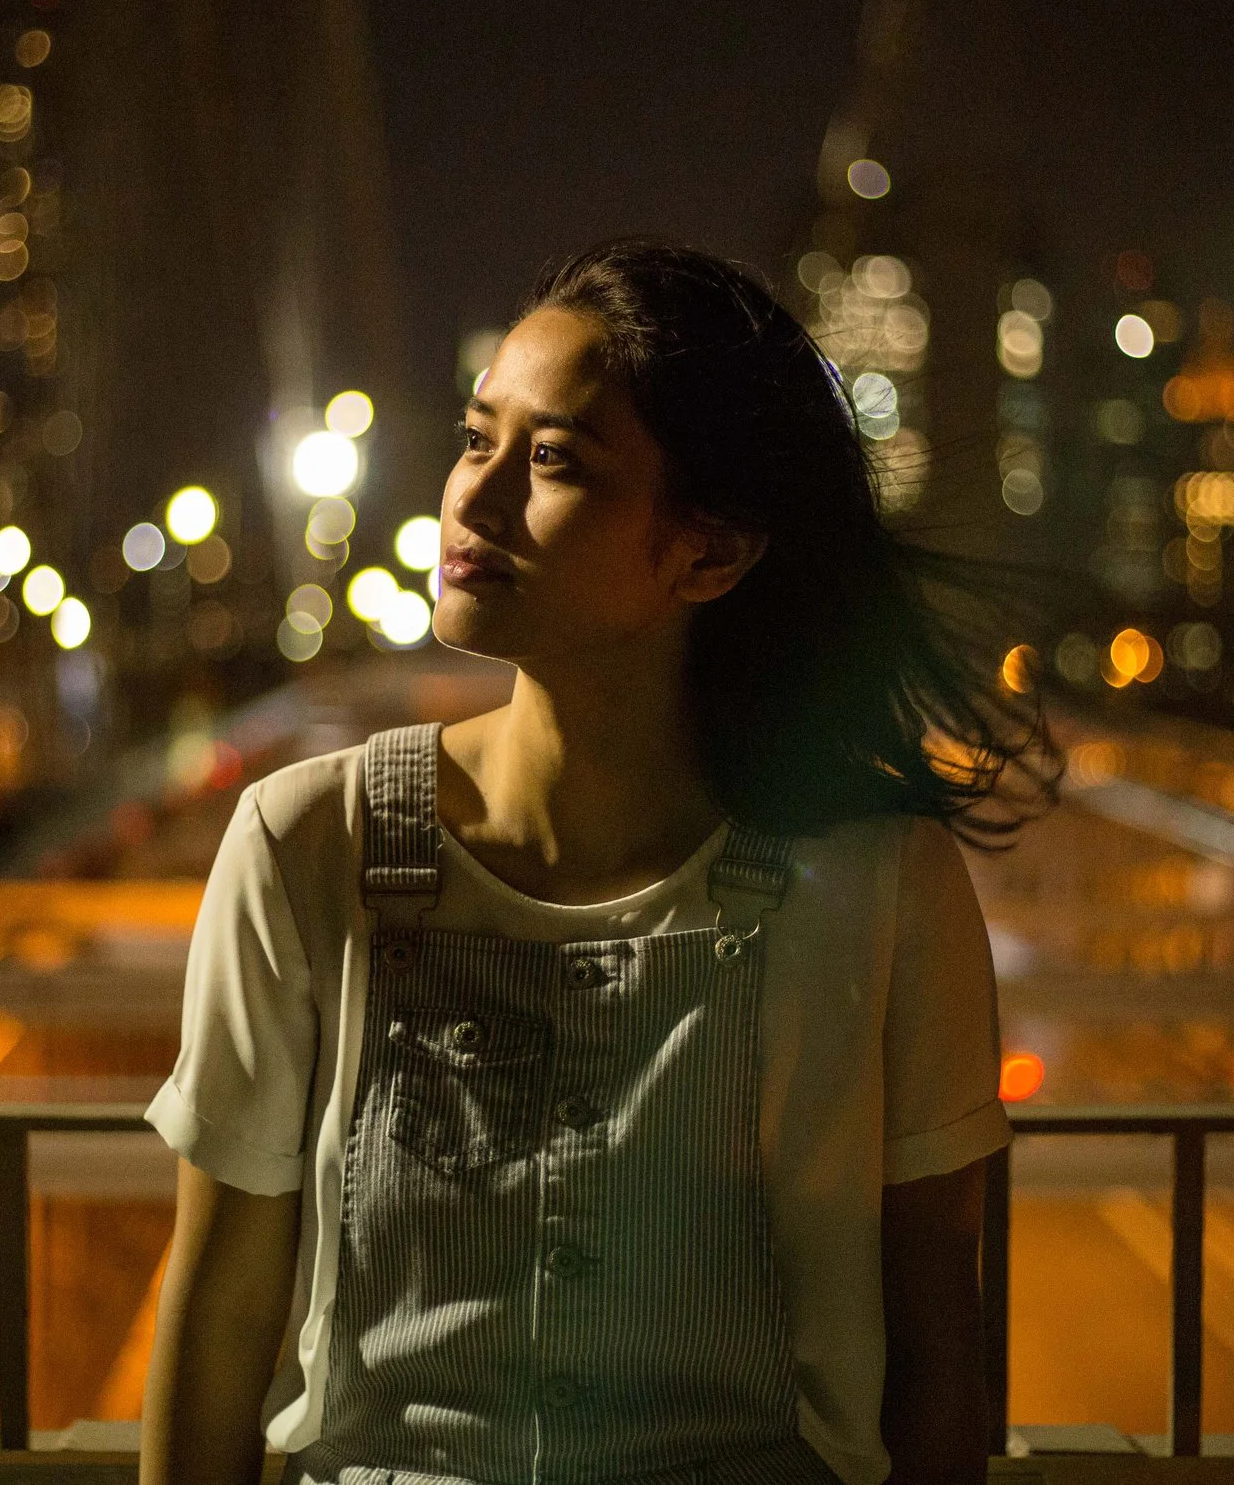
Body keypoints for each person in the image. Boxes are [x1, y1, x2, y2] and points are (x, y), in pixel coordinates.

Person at [141, 239, 1051, 1485]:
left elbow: (938, 1357)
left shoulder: (885, 887)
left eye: (554, 458)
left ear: (710, 553)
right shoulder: (308, 846)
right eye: (476, 438)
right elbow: (218, 1317)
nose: (475, 496)